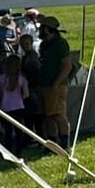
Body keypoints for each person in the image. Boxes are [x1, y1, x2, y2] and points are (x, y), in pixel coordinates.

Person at [34, 15, 73, 148]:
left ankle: (64, 145)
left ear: (47, 29)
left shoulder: (60, 44)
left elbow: (67, 66)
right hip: (44, 85)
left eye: (42, 29)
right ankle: (52, 145)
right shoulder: (44, 44)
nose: (40, 31)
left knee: (58, 115)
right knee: (48, 116)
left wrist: (57, 83)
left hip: (56, 86)